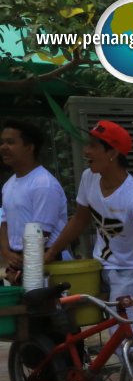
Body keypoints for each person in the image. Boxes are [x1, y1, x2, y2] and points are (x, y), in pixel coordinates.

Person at [45, 120, 133, 338]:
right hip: (98, 266)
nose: (86, 151)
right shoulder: (89, 178)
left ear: (112, 152)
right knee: (64, 315)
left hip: (130, 272)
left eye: (93, 146)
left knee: (126, 338)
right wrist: (50, 253)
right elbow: (79, 219)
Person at [0, 119, 68, 285]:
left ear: (30, 147)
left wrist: (23, 266)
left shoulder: (43, 184)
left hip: (45, 261)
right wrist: (7, 254)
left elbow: (41, 233)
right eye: (2, 142)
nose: (3, 147)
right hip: (17, 261)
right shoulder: (9, 185)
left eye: (10, 142)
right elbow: (3, 222)